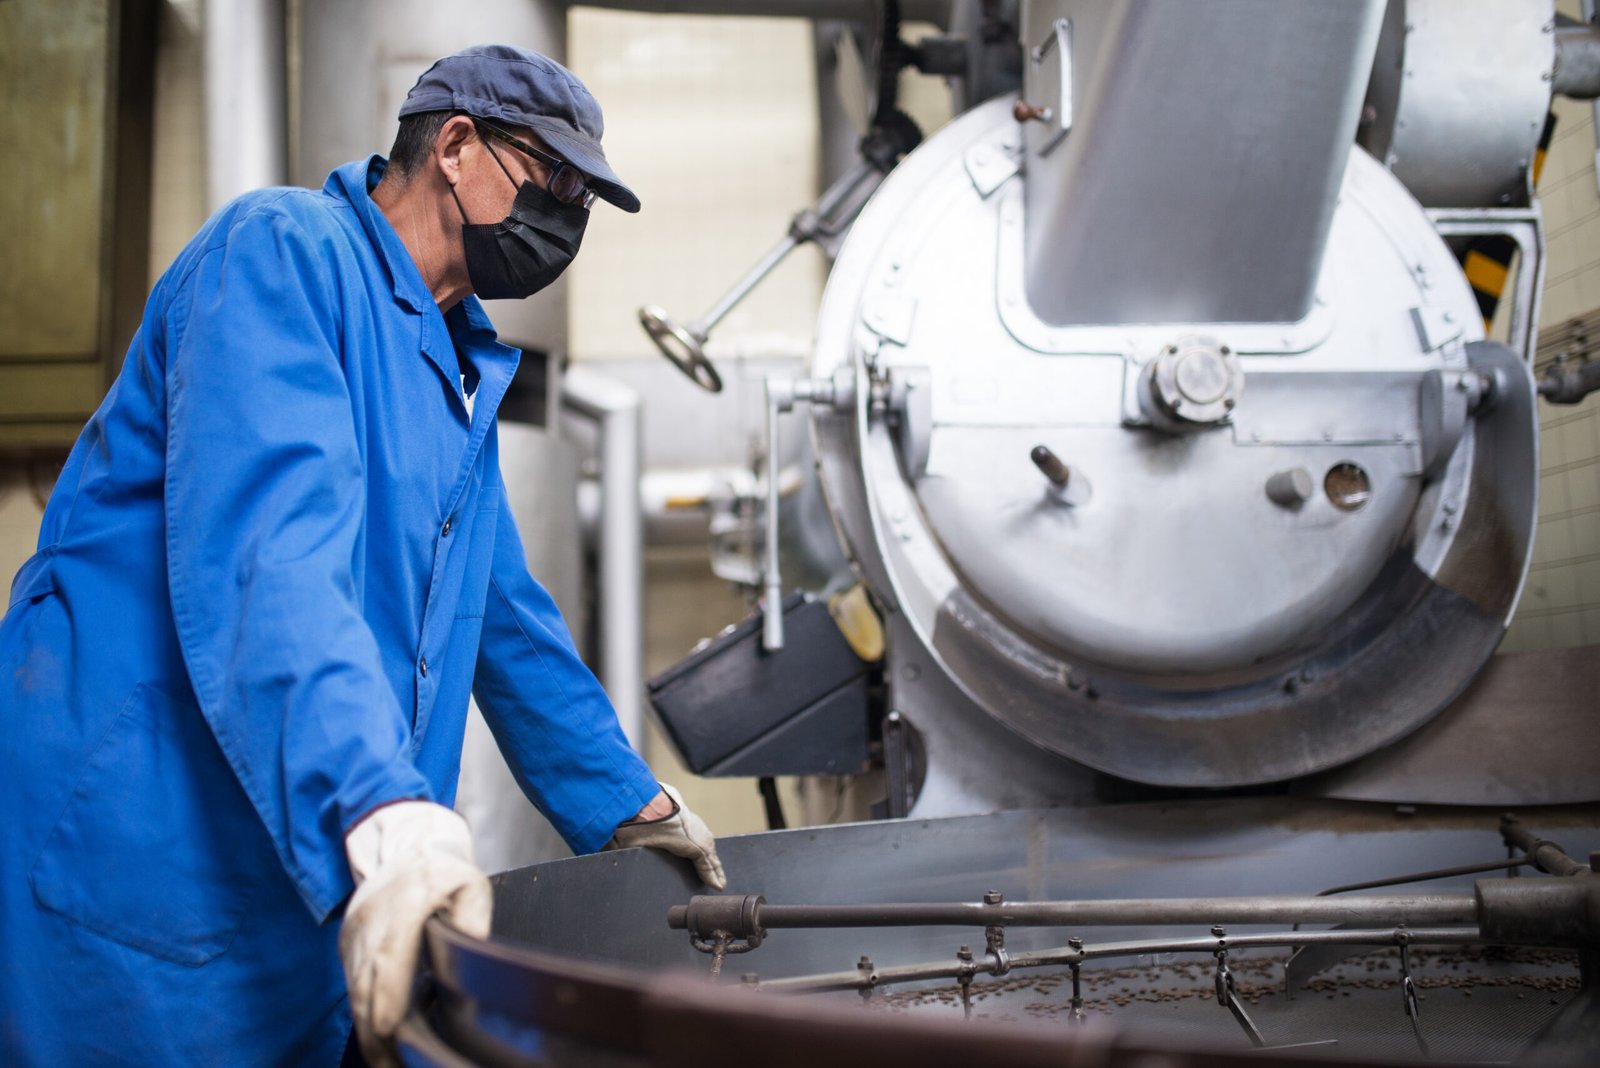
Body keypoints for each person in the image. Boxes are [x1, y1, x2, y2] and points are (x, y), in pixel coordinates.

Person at [0, 44, 725, 1066]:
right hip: (146, 843)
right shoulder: (282, 254)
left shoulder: (448, 360)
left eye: (584, 199)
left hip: (296, 868)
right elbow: (271, 558)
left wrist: (634, 812)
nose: (567, 219)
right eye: (553, 181)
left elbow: (507, 623)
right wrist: (383, 811)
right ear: (457, 147)